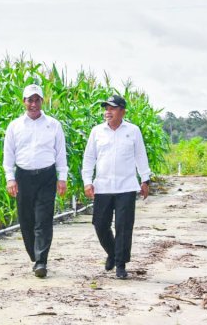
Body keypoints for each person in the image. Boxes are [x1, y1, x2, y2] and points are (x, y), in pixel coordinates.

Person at [81, 95, 151, 279]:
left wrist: (145, 180)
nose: (107, 112)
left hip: (126, 186)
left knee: (124, 226)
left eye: (112, 108)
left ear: (122, 111)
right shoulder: (97, 131)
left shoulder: (133, 131)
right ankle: (112, 252)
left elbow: (140, 156)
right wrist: (87, 181)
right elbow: (89, 158)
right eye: (106, 108)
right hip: (102, 186)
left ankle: (120, 264)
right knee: (100, 224)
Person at [3, 84, 68, 278]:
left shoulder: (53, 125)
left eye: (37, 100)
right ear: (24, 102)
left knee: (43, 219)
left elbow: (60, 153)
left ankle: (41, 261)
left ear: (42, 101)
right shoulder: (15, 126)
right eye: (30, 100)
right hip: (23, 177)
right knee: (26, 220)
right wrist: (10, 179)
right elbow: (8, 155)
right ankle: (34, 255)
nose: (33, 104)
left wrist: (62, 177)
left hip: (46, 176)